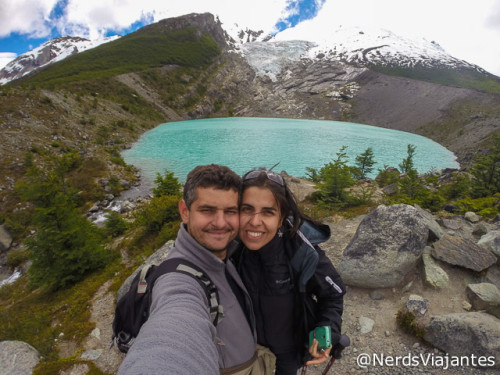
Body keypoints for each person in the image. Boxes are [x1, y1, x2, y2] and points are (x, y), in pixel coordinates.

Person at [119, 164, 269, 375]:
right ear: (185, 212)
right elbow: (174, 335)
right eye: (207, 210)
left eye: (230, 211)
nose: (220, 222)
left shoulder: (227, 254)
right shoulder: (178, 281)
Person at [232, 168, 346, 375]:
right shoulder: (230, 249)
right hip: (242, 351)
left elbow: (333, 294)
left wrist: (328, 329)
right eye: (246, 209)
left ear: (282, 216)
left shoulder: (300, 252)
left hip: (288, 354)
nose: (255, 221)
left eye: (268, 212)